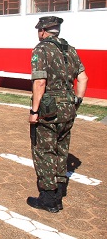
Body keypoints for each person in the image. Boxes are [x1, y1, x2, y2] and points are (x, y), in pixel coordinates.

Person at [27, 16, 88, 213]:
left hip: (49, 108)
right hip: (69, 106)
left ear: (43, 31)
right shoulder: (70, 50)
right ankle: (60, 190)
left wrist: (34, 111)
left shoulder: (41, 49)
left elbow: (40, 83)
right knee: (62, 147)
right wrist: (76, 101)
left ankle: (48, 198)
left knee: (44, 150)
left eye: (39, 31)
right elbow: (83, 78)